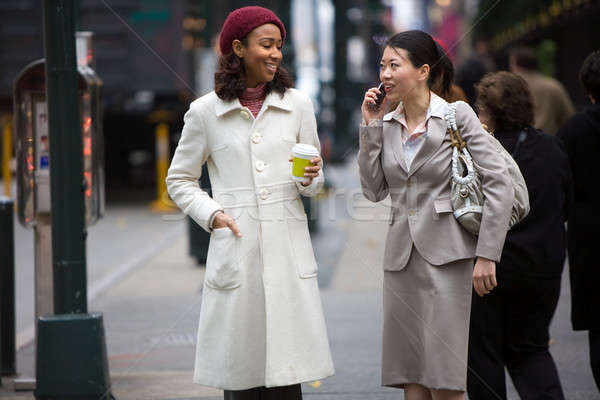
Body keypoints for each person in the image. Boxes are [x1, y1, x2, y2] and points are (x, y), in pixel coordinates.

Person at [166, 6, 334, 399]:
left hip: (287, 253)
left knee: (287, 376)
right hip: (237, 248)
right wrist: (213, 214)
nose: (275, 53)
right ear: (238, 48)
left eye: (279, 46)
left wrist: (312, 178)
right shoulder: (205, 112)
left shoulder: (298, 105)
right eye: (266, 45)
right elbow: (179, 180)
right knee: (240, 379)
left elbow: (314, 180)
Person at [358, 30, 513, 400]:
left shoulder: (455, 115)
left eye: (395, 65)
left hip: (448, 258)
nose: (385, 75)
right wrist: (369, 127)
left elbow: (500, 183)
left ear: (423, 70)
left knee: (444, 380)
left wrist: (488, 254)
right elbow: (373, 189)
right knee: (412, 379)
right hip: (401, 262)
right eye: (382, 66)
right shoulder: (388, 122)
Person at [467, 71, 571, 400]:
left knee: (483, 355)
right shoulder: (552, 148)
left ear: (487, 111)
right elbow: (565, 203)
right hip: (542, 266)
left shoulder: (482, 151)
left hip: (491, 267)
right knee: (532, 349)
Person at [557, 49, 600, 392]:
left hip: (589, 238)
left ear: (588, 89)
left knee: (598, 328)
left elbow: (560, 185)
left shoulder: (573, 131)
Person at [509, 46, 575, 135]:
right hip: (551, 142)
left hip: (519, 144)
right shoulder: (553, 85)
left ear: (515, 65)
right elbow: (569, 118)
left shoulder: (510, 88)